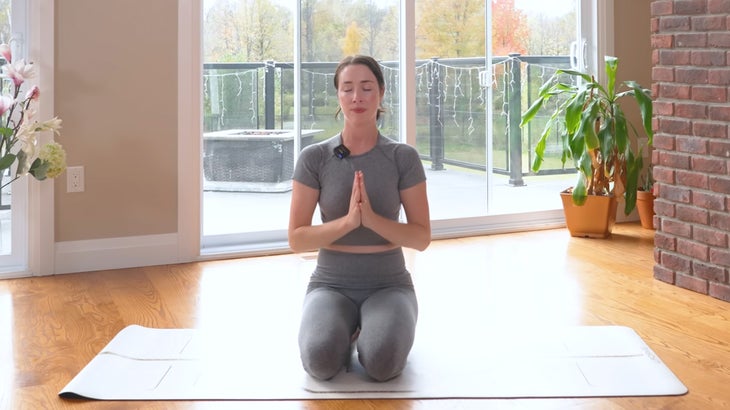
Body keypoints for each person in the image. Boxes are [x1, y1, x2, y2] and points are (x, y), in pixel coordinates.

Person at [288, 55, 431, 382]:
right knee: (320, 363)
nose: (357, 97)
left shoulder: (402, 157)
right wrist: (350, 222)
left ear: (380, 93)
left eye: (366, 88)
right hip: (330, 282)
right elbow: (297, 238)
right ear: (338, 96)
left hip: (389, 283)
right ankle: (344, 330)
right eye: (348, 88)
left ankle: (374, 329)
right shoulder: (315, 158)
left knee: (383, 364)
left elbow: (421, 238)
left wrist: (371, 219)